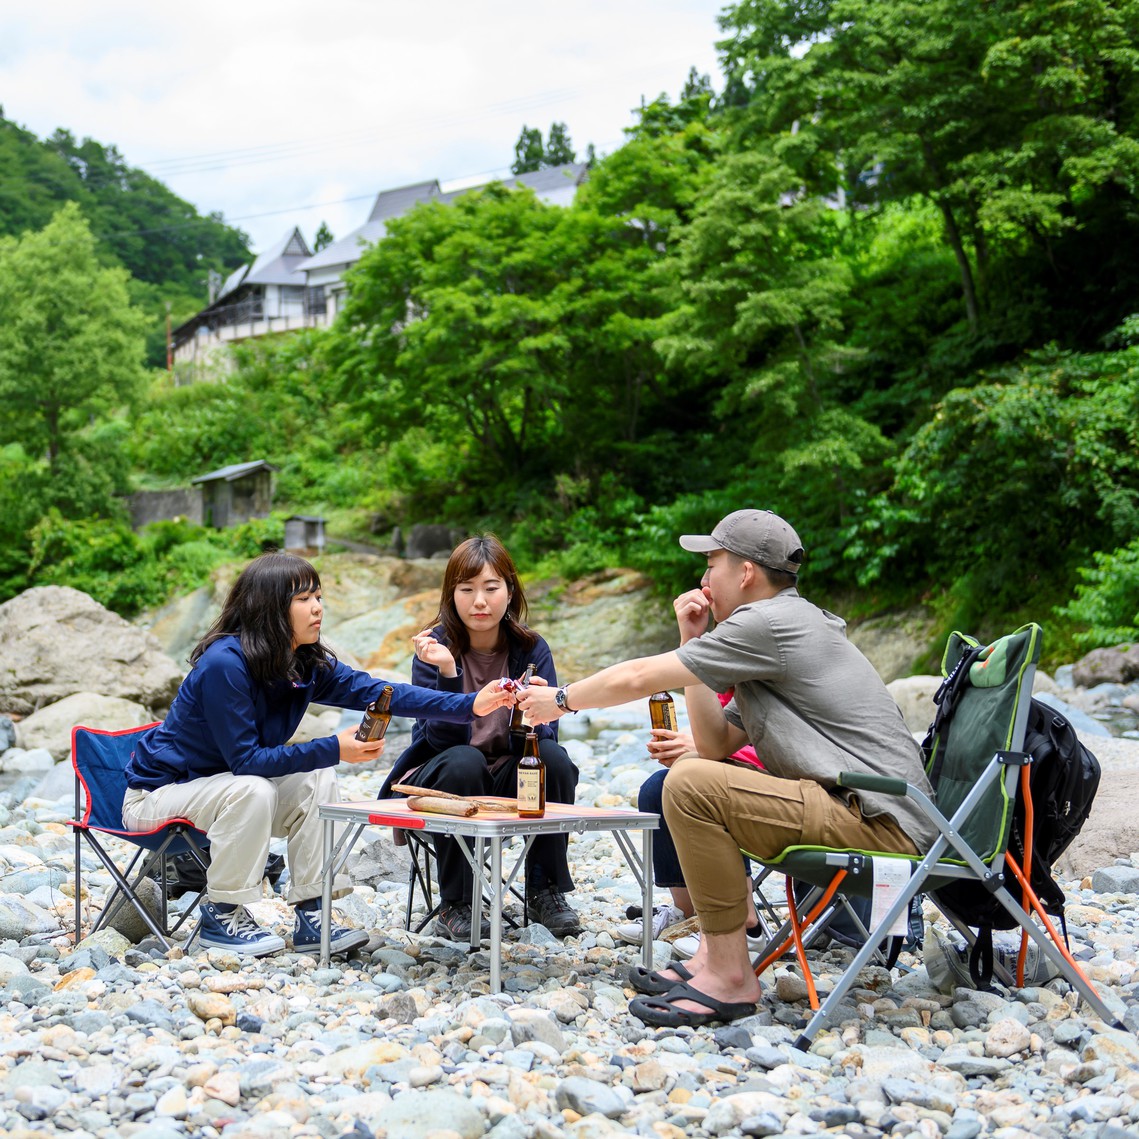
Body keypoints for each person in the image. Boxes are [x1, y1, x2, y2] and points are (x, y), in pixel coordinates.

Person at [520, 508, 938, 1027]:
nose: (702, 578)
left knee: (691, 783)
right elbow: (716, 743)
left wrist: (561, 700)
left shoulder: (769, 623)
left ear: (745, 572)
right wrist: (692, 645)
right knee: (692, 774)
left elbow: (640, 677)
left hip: (880, 823)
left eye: (711, 562)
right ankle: (714, 959)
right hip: (869, 812)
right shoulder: (782, 628)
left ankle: (731, 975)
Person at [123, 551, 515, 959]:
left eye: (319, 597)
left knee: (316, 777)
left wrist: (471, 705)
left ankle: (313, 913)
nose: (317, 608)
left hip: (224, 794)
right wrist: (335, 747)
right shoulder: (226, 664)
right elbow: (247, 762)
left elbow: (381, 692)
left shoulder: (302, 662)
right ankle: (221, 914)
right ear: (270, 607)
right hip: (161, 797)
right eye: (304, 599)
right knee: (255, 787)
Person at [379, 535, 582, 940]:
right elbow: (437, 739)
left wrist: (530, 712)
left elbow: (548, 734)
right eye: (467, 589)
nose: (480, 602)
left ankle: (546, 890)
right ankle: (457, 902)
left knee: (553, 760)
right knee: (463, 761)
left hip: (505, 769)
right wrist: (450, 672)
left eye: (491, 588)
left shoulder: (531, 648)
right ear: (451, 595)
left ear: (510, 591)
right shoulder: (434, 648)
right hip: (442, 775)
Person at [616, 690, 767, 956]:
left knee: (707, 787)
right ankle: (686, 912)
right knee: (658, 788)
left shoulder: (763, 670)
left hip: (786, 788)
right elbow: (719, 736)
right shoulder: (726, 682)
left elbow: (776, 750)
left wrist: (701, 749)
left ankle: (745, 924)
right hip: (746, 773)